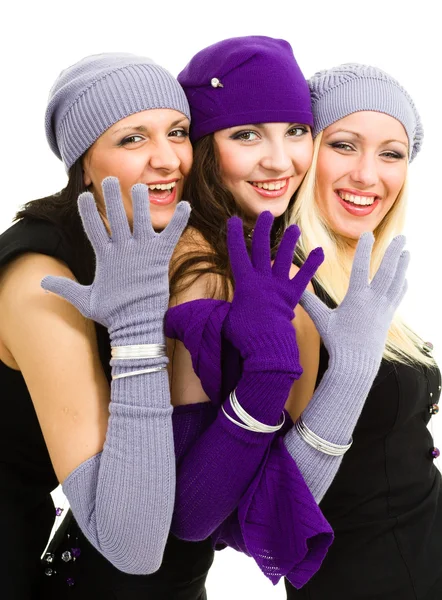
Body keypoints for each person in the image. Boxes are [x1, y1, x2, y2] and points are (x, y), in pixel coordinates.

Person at [162, 36, 410, 590]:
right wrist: (295, 374)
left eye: (296, 131)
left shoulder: (276, 250)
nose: (280, 160)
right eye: (246, 133)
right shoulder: (202, 267)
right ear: (204, 147)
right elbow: (200, 516)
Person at [0, 52, 200, 598]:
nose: (168, 159)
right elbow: (130, 543)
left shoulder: (156, 243)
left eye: (177, 132)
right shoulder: (41, 276)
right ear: (83, 164)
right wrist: (138, 325)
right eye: (132, 139)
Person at [281, 64, 441, 599]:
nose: (368, 175)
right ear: (306, 154)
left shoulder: (355, 269)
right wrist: (348, 373)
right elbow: (286, 504)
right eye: (345, 145)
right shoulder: (291, 286)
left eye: (391, 153)